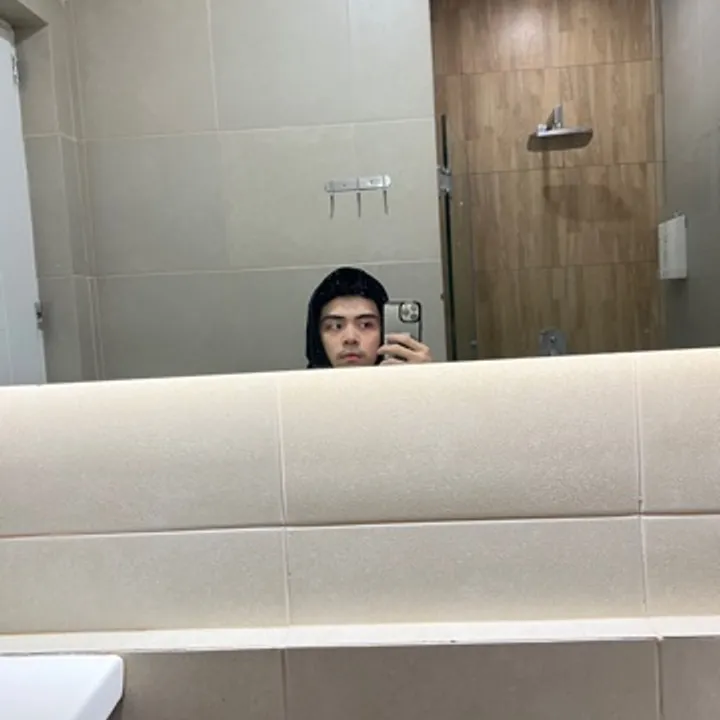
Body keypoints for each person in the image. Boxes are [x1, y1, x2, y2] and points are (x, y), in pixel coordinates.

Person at [305, 266, 433, 368]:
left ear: (383, 331)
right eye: (336, 326)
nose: (350, 338)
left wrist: (426, 380)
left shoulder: (408, 384)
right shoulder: (298, 391)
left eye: (366, 325)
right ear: (317, 337)